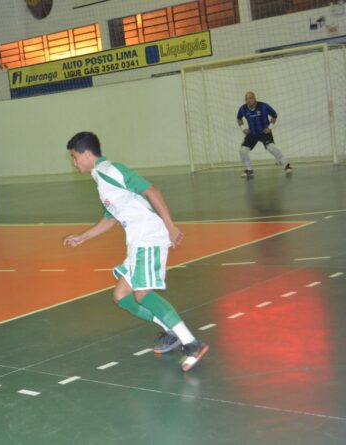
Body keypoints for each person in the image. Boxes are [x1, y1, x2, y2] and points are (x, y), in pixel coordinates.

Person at [62, 131, 209, 371]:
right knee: (122, 295)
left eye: (75, 156)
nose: (74, 162)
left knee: (142, 293)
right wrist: (82, 237)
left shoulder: (111, 171)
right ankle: (169, 330)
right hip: (136, 239)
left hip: (148, 235)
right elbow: (112, 217)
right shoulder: (100, 178)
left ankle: (191, 343)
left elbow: (152, 191)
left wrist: (170, 227)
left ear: (87, 154)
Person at [236, 91, 292, 178]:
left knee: (271, 147)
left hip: (264, 132)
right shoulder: (243, 109)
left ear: (255, 99)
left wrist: (270, 127)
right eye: (246, 99)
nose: (249, 100)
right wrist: (243, 129)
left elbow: (274, 115)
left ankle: (286, 164)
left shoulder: (263, 106)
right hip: (252, 133)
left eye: (250, 98)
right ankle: (249, 170)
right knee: (243, 150)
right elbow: (239, 118)